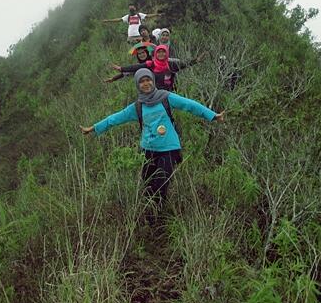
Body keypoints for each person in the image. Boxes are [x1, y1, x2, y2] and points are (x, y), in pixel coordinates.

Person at [81, 68, 225, 218]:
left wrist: (212, 116)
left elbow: (190, 105)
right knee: (148, 185)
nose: (146, 83)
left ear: (153, 80)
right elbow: (114, 119)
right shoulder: (137, 107)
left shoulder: (166, 97)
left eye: (148, 80)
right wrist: (94, 128)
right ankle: (151, 214)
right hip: (148, 150)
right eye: (142, 81)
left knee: (161, 184)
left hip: (168, 148)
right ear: (137, 84)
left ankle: (156, 217)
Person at [110, 44, 206, 92]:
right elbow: (136, 67)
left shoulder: (171, 64)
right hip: (155, 94)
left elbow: (185, 64)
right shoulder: (151, 64)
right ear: (155, 53)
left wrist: (196, 60)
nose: (161, 54)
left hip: (170, 93)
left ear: (166, 53)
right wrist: (121, 69)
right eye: (159, 52)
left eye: (163, 52)